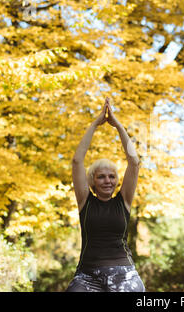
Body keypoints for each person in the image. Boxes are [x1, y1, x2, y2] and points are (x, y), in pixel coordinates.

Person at [65, 98, 145, 292]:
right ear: (93, 181)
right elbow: (77, 161)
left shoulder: (123, 200)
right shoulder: (85, 201)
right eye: (101, 177)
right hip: (87, 275)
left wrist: (117, 125)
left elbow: (134, 161)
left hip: (124, 273)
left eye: (111, 176)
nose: (107, 180)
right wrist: (95, 124)